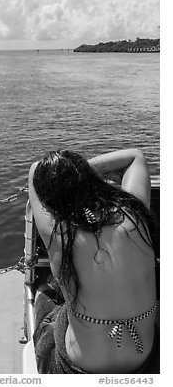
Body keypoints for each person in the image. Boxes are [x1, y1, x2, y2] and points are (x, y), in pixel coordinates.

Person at [28, 148, 159, 374]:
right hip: (145, 362)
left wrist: (65, 178)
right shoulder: (136, 214)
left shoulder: (59, 235)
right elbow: (135, 156)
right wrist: (79, 171)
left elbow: (33, 172)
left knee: (45, 295)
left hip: (77, 369)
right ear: (87, 179)